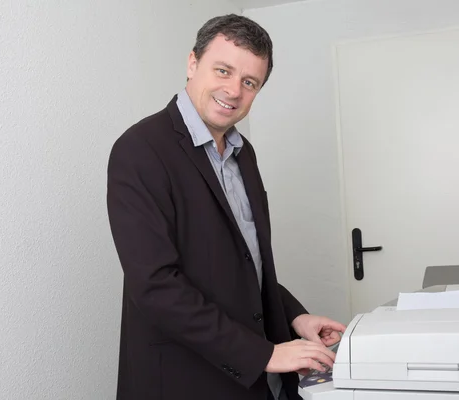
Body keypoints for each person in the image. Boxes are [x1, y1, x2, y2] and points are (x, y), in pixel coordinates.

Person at [106, 13, 346, 400]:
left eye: (249, 82)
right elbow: (155, 287)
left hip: (256, 379)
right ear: (192, 63)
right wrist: (264, 353)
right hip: (186, 380)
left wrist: (295, 317)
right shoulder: (140, 150)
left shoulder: (242, 154)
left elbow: (246, 265)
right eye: (223, 70)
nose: (234, 91)